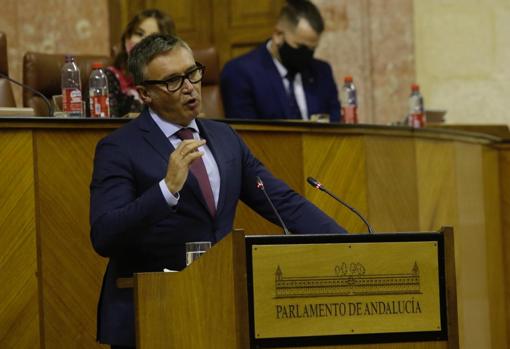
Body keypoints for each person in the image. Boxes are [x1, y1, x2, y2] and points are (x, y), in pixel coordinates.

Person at [89, 33, 347, 348]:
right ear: (145, 94)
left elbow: (282, 202)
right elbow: (105, 235)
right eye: (172, 80)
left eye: (192, 73)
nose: (189, 87)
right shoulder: (119, 148)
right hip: (151, 314)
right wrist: (166, 190)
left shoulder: (224, 138)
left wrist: (350, 245)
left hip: (222, 309)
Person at [220, 0, 341, 122]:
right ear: (278, 35)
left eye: (312, 49)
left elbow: (336, 128)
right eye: (300, 47)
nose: (306, 55)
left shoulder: (322, 72)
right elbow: (245, 134)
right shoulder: (241, 73)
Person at [106, 8, 175, 117]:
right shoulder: (107, 78)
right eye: (139, 34)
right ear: (127, 38)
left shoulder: (174, 82)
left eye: (153, 37)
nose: (143, 41)